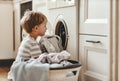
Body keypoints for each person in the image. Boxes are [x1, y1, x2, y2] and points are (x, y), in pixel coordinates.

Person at [7, 11, 48, 81]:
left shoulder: (27, 39)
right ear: (36, 28)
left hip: (15, 70)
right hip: (22, 71)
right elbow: (40, 61)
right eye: (44, 26)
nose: (46, 28)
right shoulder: (32, 43)